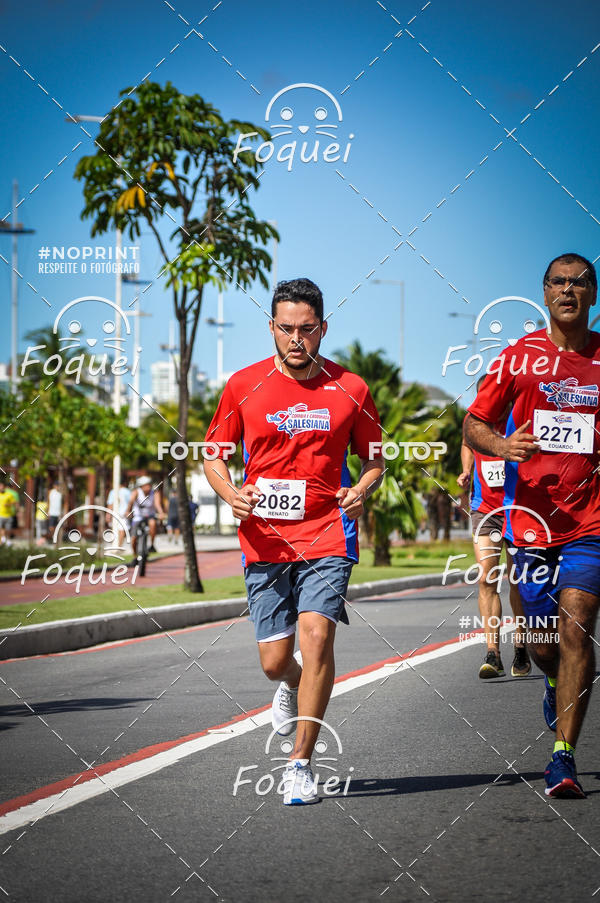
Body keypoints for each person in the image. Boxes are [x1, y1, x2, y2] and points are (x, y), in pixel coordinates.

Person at [204, 277, 384, 806]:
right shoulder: (243, 385)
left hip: (328, 532)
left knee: (317, 637)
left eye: (307, 328)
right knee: (274, 660)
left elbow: (374, 459)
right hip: (265, 538)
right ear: (272, 328)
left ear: (323, 328)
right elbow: (214, 456)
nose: (296, 338)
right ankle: (290, 684)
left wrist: (361, 490)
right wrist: (231, 493)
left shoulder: (351, 388)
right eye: (287, 328)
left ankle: (300, 764)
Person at [465, 252, 600, 798]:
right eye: (558, 282)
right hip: (532, 524)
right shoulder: (518, 358)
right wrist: (502, 445)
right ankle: (551, 677)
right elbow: (475, 423)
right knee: (544, 644)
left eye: (579, 282)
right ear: (544, 292)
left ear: (593, 294)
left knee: (576, 626)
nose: (568, 290)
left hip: (590, 520)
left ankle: (563, 757)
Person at [458, 382, 531, 679]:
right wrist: (466, 470)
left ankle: (521, 646)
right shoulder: (474, 420)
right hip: (485, 509)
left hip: (517, 508)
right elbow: (467, 443)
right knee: (486, 577)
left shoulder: (520, 416)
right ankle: (493, 653)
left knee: (517, 581)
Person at [124, 477, 165, 563]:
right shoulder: (136, 492)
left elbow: (157, 504)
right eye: (146, 485)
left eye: (149, 485)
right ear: (141, 486)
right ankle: (134, 556)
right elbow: (131, 502)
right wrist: (128, 511)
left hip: (150, 515)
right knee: (133, 538)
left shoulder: (154, 493)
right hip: (138, 516)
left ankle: (152, 545)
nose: (148, 487)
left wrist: (161, 513)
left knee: (153, 524)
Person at [107, 478, 131, 547]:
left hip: (115, 513)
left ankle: (115, 545)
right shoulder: (128, 492)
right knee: (122, 530)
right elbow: (131, 502)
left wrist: (108, 514)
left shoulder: (113, 491)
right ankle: (119, 545)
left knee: (115, 529)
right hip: (124, 513)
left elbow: (110, 504)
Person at [0, 480, 16, 545]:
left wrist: (8, 504)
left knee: (8, 529)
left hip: (8, 515)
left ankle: (8, 540)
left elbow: (14, 502)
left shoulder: (9, 494)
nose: (0, 488)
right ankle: (2, 540)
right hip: (0, 515)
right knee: (1, 528)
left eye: (1, 486)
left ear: (4, 487)